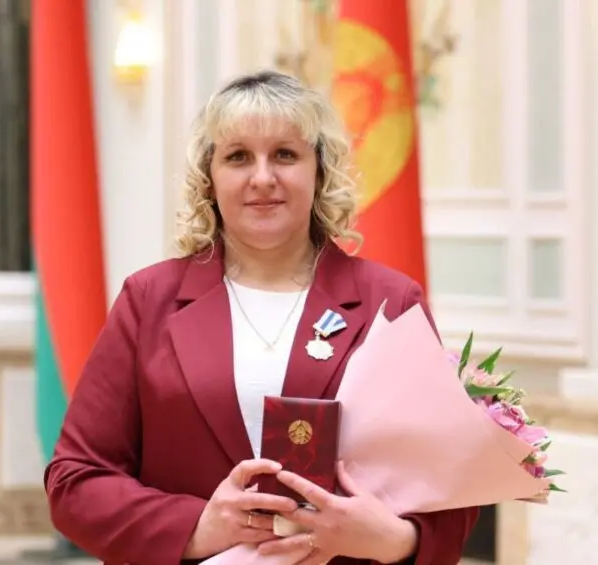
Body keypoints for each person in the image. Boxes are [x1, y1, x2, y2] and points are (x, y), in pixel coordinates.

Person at [44, 70, 480, 564]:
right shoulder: (149, 300)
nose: (263, 178)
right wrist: (196, 527)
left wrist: (395, 540)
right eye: (238, 157)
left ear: (320, 171)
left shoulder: (390, 302)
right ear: (209, 178)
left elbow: (451, 489)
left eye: (285, 154)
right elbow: (75, 480)